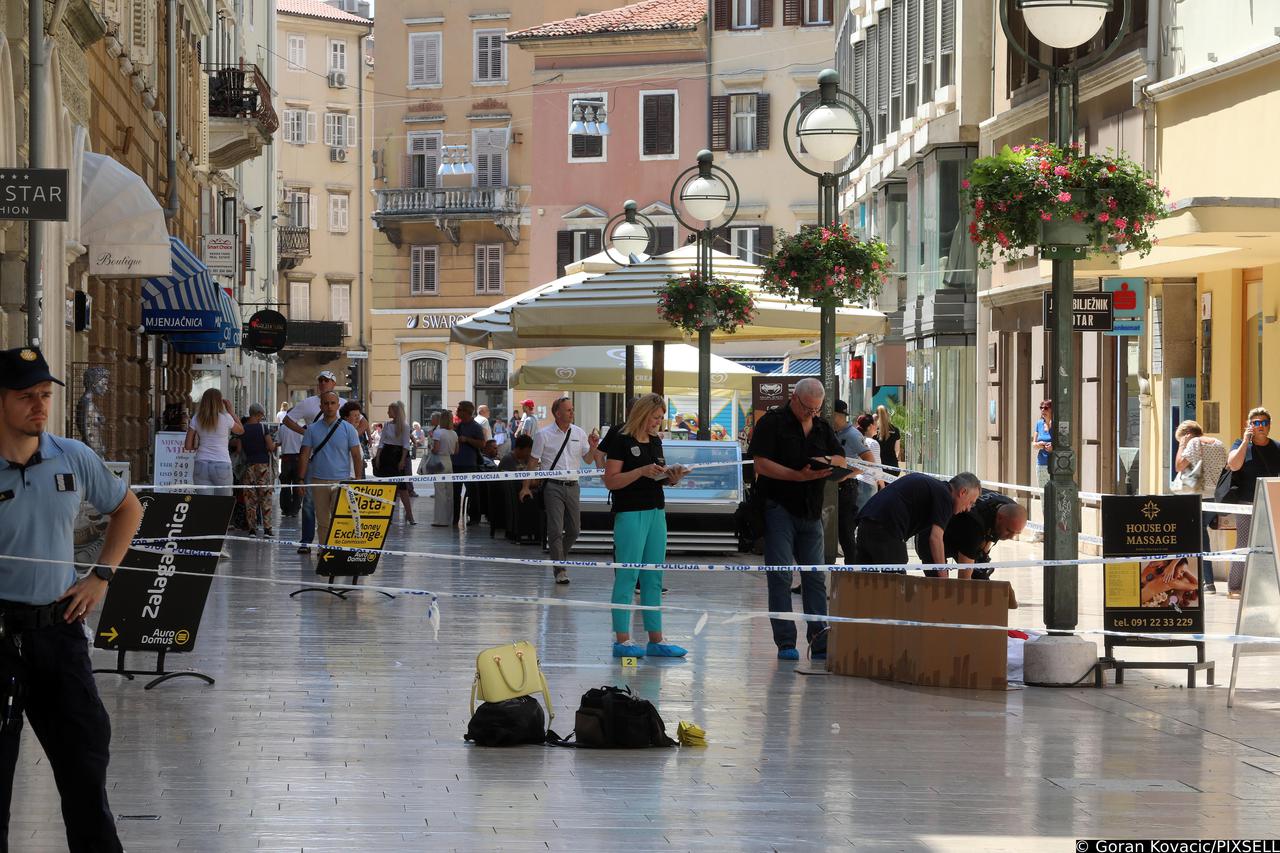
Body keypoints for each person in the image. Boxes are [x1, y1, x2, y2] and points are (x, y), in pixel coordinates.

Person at [0, 346, 145, 852]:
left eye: (44, 395)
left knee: (85, 770)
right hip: (0, 636)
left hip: (58, 634)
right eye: (26, 397)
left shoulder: (71, 456)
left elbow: (129, 508)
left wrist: (101, 575)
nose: (40, 406)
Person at [746, 378, 846, 661]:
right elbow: (761, 464)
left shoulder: (823, 426)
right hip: (779, 507)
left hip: (811, 511)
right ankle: (786, 642)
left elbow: (840, 457)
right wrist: (797, 475)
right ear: (794, 398)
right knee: (780, 576)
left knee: (815, 578)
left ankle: (819, 636)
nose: (811, 414)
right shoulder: (773, 423)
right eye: (807, 408)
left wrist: (827, 463)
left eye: (816, 410)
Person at [602, 393, 690, 659]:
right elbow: (611, 480)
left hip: (655, 510)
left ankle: (656, 638)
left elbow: (657, 476)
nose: (658, 423)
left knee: (654, 575)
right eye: (655, 417)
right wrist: (640, 471)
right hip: (630, 512)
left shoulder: (655, 441)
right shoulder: (621, 437)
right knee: (628, 574)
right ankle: (622, 639)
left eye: (661, 418)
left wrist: (671, 477)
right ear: (642, 414)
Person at [520, 396, 604, 584]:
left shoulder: (579, 433)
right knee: (556, 529)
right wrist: (525, 486)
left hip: (573, 485)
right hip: (553, 485)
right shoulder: (544, 434)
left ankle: (559, 558)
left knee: (574, 530)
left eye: (572, 409)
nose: (572, 413)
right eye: (568, 410)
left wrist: (592, 447)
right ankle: (560, 570)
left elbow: (588, 459)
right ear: (557, 413)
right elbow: (533, 462)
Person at [854, 472, 981, 574]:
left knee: (865, 584)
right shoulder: (945, 497)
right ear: (962, 492)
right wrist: (943, 575)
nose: (969, 508)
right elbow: (936, 538)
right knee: (896, 587)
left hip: (865, 524)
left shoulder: (935, 488)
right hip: (886, 529)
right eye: (971, 502)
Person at [281, 371, 346, 549]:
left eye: (327, 380)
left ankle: (334, 540)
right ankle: (307, 540)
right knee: (309, 502)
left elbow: (361, 421)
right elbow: (287, 419)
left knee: (336, 504)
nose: (323, 383)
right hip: (313, 459)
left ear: (333, 383)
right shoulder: (308, 403)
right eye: (321, 380)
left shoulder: (344, 404)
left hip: (337, 462)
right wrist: (306, 433)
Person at [296, 391, 363, 554]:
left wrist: (358, 480)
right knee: (323, 519)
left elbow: (356, 455)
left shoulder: (349, 429)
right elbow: (304, 454)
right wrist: (300, 479)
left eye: (333, 403)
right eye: (326, 403)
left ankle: (340, 548)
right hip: (318, 480)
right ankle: (324, 550)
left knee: (340, 517)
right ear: (321, 406)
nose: (329, 406)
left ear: (338, 406)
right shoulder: (312, 429)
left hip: (341, 481)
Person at [1224, 407, 1280, 598]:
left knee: (1271, 545)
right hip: (1246, 503)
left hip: (1271, 503)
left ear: (1269, 426)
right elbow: (1233, 464)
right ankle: (1235, 587)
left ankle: (1268, 585)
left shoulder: (1276, 447)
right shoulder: (1241, 444)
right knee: (1244, 544)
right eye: (1256, 423)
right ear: (1249, 425)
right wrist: (1246, 441)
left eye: (1264, 423)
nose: (1260, 426)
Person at [915, 491, 1028, 579]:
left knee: (980, 577)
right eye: (1009, 531)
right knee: (940, 587)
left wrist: (982, 557)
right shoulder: (974, 525)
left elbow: (991, 535)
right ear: (1000, 518)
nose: (1011, 536)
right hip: (930, 535)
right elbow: (964, 579)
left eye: (1016, 533)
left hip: (961, 532)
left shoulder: (1009, 509)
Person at [1175, 419, 1227, 595]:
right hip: (1215, 497)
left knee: (1199, 536)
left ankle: (1207, 581)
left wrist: (1182, 446)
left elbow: (1179, 465)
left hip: (1198, 496)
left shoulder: (1193, 443)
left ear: (1187, 434)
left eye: (1181, 438)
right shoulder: (1219, 443)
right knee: (1200, 534)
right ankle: (1205, 580)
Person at [184, 388, 244, 497]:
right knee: (223, 505)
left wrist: (199, 448)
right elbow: (241, 430)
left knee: (205, 505)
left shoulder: (196, 418)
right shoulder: (226, 418)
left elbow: (188, 446)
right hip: (222, 463)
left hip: (201, 463)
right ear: (220, 402)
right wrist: (231, 411)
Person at [833, 401, 873, 564]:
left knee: (846, 534)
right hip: (830, 490)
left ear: (837, 415)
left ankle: (853, 575)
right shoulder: (833, 433)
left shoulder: (852, 435)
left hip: (845, 490)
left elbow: (870, 461)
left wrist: (846, 476)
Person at [240, 403, 277, 537]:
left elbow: (239, 449)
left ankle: (252, 529)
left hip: (248, 466)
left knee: (250, 499)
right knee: (265, 497)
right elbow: (271, 447)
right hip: (262, 466)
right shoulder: (263, 428)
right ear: (259, 414)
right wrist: (276, 444)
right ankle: (267, 529)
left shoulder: (242, 429)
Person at [376, 401, 415, 525]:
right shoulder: (386, 425)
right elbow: (382, 442)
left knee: (402, 488)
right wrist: (377, 457)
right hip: (386, 455)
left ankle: (410, 515)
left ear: (396, 412)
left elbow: (405, 445)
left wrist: (403, 460)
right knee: (387, 487)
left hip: (397, 456)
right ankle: (387, 515)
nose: (387, 412)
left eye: (390, 410)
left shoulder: (404, 426)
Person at [452, 401, 487, 527]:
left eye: (459, 409)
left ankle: (474, 518)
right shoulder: (458, 426)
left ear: (466, 412)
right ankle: (455, 518)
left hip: (469, 464)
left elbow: (482, 444)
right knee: (455, 493)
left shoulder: (475, 427)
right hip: (456, 463)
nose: (457, 411)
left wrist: (467, 440)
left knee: (473, 492)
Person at [277, 400, 304, 518]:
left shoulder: (282, 428)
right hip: (298, 458)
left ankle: (285, 508)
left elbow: (278, 442)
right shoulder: (302, 429)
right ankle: (295, 509)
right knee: (298, 484)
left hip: (286, 459)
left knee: (285, 485)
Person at [430, 409, 457, 527]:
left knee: (439, 491)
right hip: (449, 461)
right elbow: (456, 451)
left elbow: (435, 450)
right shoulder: (454, 434)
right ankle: (449, 518)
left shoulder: (438, 433)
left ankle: (440, 520)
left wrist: (431, 448)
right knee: (449, 491)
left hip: (439, 461)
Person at [855, 413, 884, 505]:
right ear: (871, 426)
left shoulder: (856, 439)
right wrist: (882, 486)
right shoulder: (873, 443)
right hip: (868, 483)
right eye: (876, 424)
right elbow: (877, 467)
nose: (877, 427)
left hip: (855, 481)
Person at [875, 405, 903, 474]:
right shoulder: (895, 430)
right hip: (892, 465)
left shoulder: (874, 430)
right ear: (887, 414)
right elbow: (897, 450)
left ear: (876, 416)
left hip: (878, 466)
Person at [1033, 400, 1053, 488]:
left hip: (1054, 465)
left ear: (1052, 410)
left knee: (1054, 494)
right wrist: (1038, 444)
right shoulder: (1039, 423)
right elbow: (1034, 443)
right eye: (1041, 408)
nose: (1043, 410)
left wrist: (1053, 448)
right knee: (1043, 492)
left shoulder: (1057, 425)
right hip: (1041, 464)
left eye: (1046, 408)